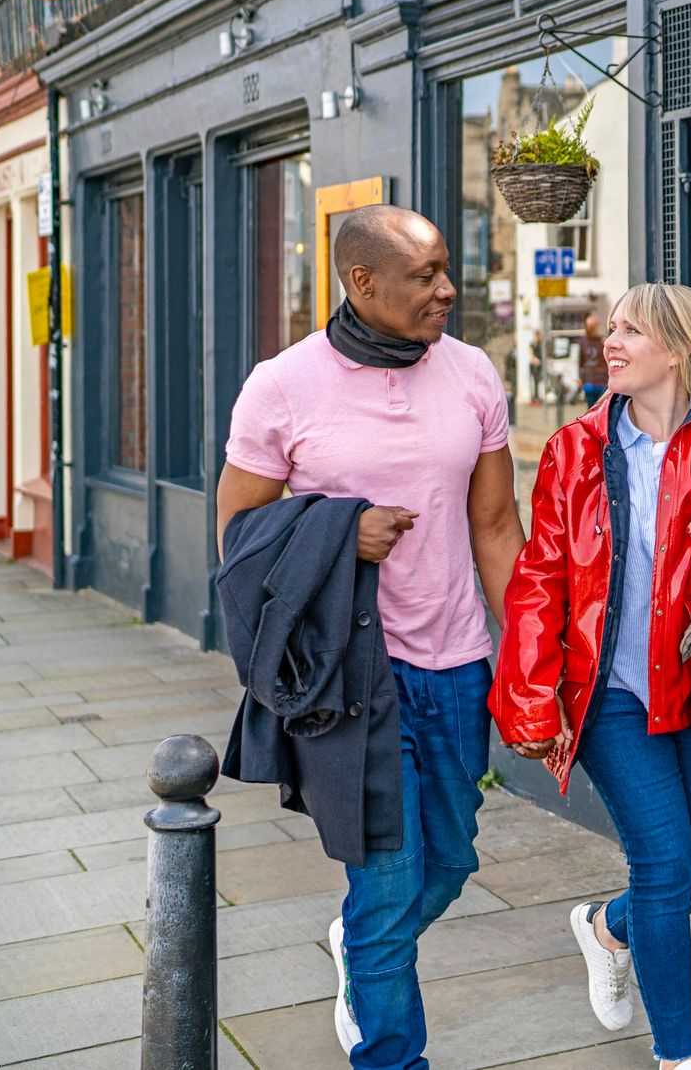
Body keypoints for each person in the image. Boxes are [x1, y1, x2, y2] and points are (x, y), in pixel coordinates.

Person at [215, 205, 524, 1070]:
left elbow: (496, 525)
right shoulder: (282, 386)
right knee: (387, 887)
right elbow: (237, 533)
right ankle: (392, 1052)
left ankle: (356, 950)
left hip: (458, 664)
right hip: (354, 675)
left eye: (445, 270)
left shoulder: (471, 375)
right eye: (425, 275)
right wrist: (338, 531)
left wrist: (535, 650)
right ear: (362, 282)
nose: (447, 289)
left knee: (452, 858)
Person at [490, 283, 691, 1070]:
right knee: (665, 864)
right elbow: (540, 578)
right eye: (615, 327)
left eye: (632, 330)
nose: (613, 340)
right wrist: (529, 692)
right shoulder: (574, 450)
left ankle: (607, 926)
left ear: (678, 348)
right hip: (610, 695)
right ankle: (677, 1054)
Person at [578, 307, 609, 407]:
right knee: (591, 410)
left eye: (594, 326)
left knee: (602, 410)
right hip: (590, 382)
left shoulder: (603, 341)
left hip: (602, 381)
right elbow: (580, 361)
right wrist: (581, 379)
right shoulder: (583, 341)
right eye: (590, 326)